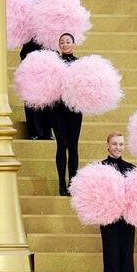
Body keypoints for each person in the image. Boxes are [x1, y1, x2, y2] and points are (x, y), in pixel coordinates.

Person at [100, 132, 135, 272]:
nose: (118, 147)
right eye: (114, 144)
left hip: (128, 221)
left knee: (127, 260)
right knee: (112, 259)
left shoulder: (131, 169)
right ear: (107, 145)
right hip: (109, 222)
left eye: (121, 144)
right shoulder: (100, 167)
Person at [20, 0, 52, 141]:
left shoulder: (53, 2)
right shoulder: (25, 2)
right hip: (30, 49)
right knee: (30, 89)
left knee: (48, 90)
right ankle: (35, 131)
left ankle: (47, 131)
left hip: (47, 50)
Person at [51, 33, 82, 196]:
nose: (65, 44)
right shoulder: (54, 63)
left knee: (73, 146)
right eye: (62, 42)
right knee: (61, 145)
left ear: (74, 44)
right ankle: (62, 183)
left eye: (68, 41)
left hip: (75, 109)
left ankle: (73, 183)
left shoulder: (79, 64)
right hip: (57, 109)